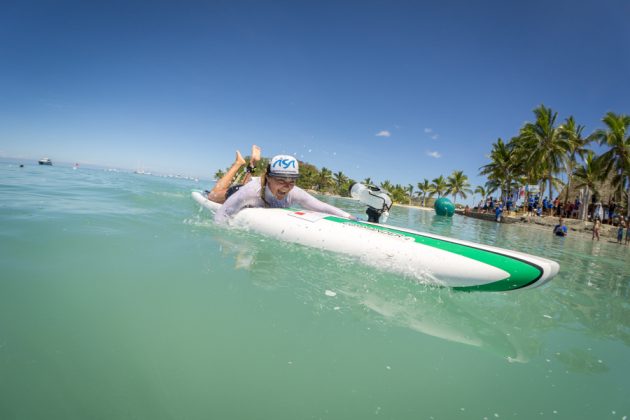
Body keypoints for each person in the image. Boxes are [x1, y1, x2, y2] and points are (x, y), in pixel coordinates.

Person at [215, 154, 354, 224]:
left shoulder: (295, 192)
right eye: (281, 180)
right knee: (213, 195)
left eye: (292, 181)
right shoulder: (250, 192)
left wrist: (349, 217)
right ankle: (239, 163)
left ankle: (252, 165)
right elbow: (220, 215)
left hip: (255, 189)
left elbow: (321, 207)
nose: (287, 186)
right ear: (268, 177)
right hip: (239, 191)